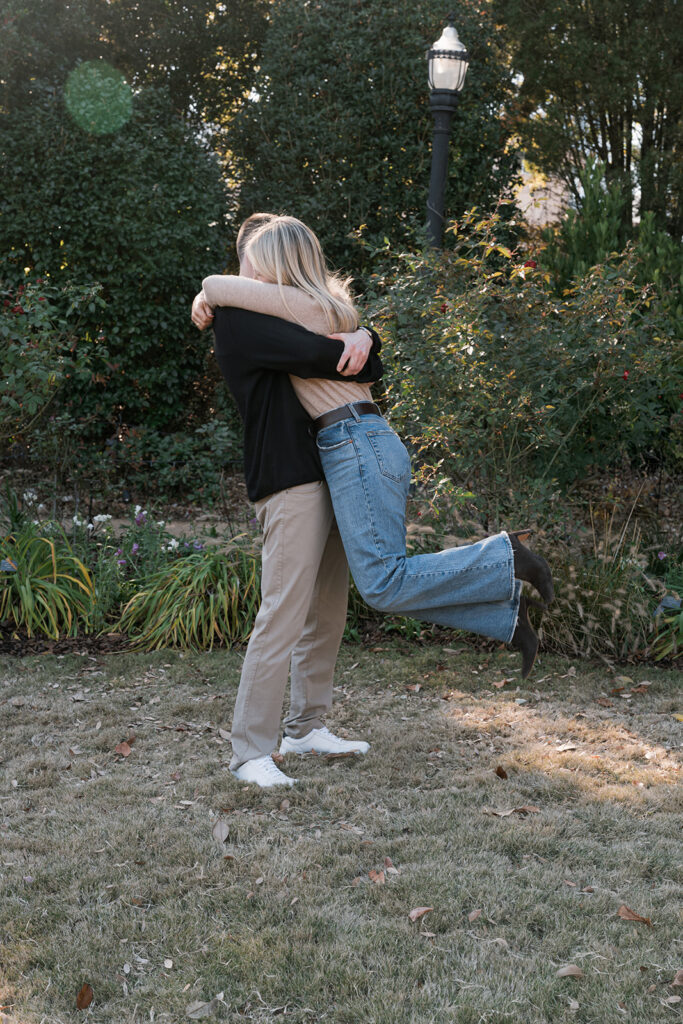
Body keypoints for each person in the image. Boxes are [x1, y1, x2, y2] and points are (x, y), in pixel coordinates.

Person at [193, 215, 554, 695]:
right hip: (354, 442)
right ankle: (507, 617)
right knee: (378, 585)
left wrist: (210, 293)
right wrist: (366, 335)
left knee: (383, 582)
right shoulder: (315, 312)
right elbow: (341, 349)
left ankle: (505, 556)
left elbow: (223, 288)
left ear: (283, 269)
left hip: (354, 441)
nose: (249, 280)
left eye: (257, 268)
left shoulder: (301, 307)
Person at [191, 214, 384, 788]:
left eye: (252, 258)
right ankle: (251, 750)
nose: (243, 267)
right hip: (289, 478)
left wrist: (364, 338)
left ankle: (306, 729)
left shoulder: (307, 315)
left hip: (337, 470)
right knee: (282, 613)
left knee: (326, 610)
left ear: (277, 264)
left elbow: (370, 365)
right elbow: (330, 358)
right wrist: (355, 340)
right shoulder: (238, 321)